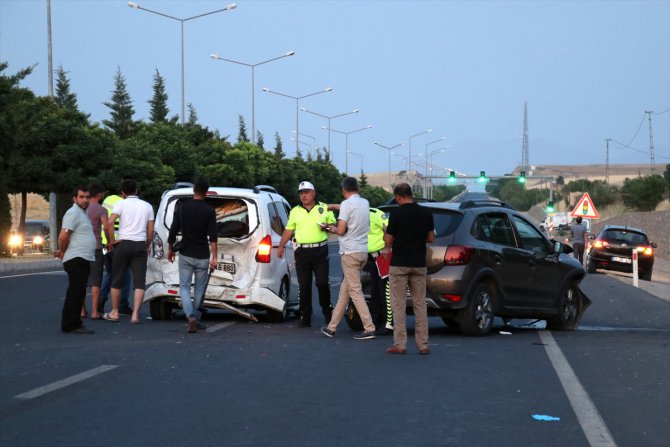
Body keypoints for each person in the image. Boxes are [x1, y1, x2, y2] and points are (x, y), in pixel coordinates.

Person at [320, 177, 376, 340]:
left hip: (350, 253)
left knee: (355, 291)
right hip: (362, 252)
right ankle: (331, 327)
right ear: (357, 188)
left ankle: (369, 327)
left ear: (343, 190)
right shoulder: (364, 203)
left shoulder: (346, 205)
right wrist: (333, 206)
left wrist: (328, 227)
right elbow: (350, 208)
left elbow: (341, 230)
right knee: (345, 292)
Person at [383, 183, 435, 355]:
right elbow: (431, 238)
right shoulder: (426, 212)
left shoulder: (396, 213)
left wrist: (387, 232)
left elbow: (388, 241)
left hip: (399, 263)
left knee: (398, 304)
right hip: (419, 264)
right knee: (420, 304)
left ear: (398, 196)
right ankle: (423, 344)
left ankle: (400, 344)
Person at [277, 181, 336, 327]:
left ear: (313, 193)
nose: (304, 195)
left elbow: (335, 226)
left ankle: (328, 314)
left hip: (320, 250)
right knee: (304, 285)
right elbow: (288, 230)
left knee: (322, 283)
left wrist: (327, 227)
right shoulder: (295, 211)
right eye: (301, 193)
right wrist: (281, 246)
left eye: (307, 192)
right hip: (302, 251)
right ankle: (305, 316)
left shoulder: (324, 208)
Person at [167, 179, 218, 334]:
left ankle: (190, 316)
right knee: (199, 289)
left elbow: (173, 230)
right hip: (202, 255)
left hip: (186, 253)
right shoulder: (209, 211)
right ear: (206, 193)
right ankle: (196, 318)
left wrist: (170, 248)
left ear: (194, 190)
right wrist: (214, 257)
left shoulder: (183, 207)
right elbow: (213, 237)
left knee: (184, 287)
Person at [103, 179, 155, 324]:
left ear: (123, 193)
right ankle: (135, 315)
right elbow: (150, 230)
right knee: (139, 281)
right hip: (139, 244)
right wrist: (147, 244)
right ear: (136, 191)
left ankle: (114, 312)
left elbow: (110, 222)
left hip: (123, 244)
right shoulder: (147, 206)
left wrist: (112, 240)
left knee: (117, 279)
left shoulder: (120, 203)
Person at [55, 186, 97, 334]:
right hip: (76, 258)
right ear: (74, 198)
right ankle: (72, 325)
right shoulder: (73, 213)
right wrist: (62, 250)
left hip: (82, 258)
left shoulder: (82, 214)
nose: (85, 200)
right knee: (76, 291)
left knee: (77, 291)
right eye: (81, 197)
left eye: (87, 197)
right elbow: (63, 236)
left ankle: (70, 324)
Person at [99, 191, 133, 315]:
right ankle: (122, 304)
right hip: (118, 243)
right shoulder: (125, 204)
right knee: (125, 274)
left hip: (105, 242)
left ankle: (101, 298)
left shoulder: (108, 200)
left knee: (110, 273)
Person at [81, 183, 107, 320]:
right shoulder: (101, 210)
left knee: (82, 280)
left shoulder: (81, 209)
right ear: (100, 194)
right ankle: (94, 312)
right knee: (96, 281)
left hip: (81, 248)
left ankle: (82, 310)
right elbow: (107, 227)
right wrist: (109, 242)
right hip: (96, 247)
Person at [367, 207, 393, 335]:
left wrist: (386, 247)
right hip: (370, 259)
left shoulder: (375, 214)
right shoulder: (356, 216)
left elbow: (388, 230)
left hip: (382, 257)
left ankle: (388, 324)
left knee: (385, 292)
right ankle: (376, 322)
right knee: (374, 292)